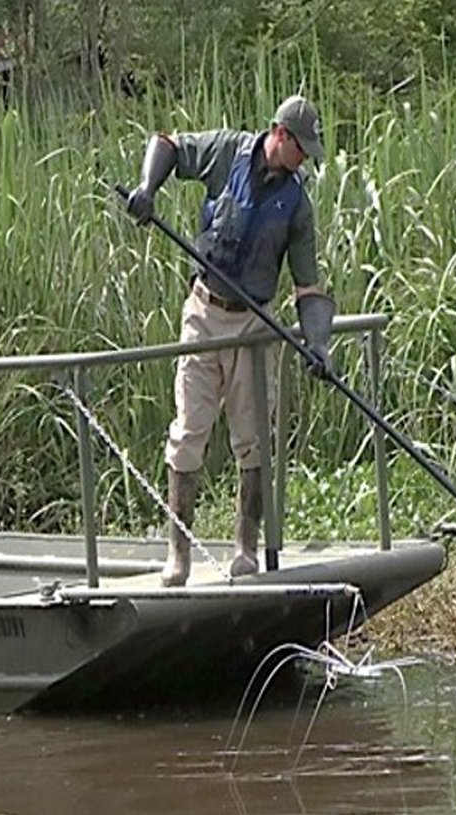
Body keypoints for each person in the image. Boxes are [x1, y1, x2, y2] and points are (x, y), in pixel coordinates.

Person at [124, 95, 338, 586]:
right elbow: (169, 144)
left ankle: (246, 547)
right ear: (278, 135)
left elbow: (309, 286)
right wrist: (146, 189)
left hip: (254, 324)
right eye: (300, 147)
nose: (304, 157)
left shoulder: (297, 203)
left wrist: (318, 345)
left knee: (254, 440)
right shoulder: (226, 152)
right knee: (188, 433)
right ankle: (177, 554)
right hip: (204, 313)